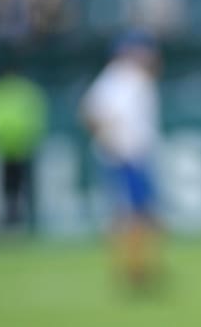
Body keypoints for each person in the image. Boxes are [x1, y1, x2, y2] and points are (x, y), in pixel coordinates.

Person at [81, 31, 162, 289]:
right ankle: (133, 269)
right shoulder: (122, 77)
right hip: (126, 156)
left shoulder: (130, 78)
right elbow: (91, 113)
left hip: (132, 155)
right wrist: (113, 139)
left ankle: (136, 266)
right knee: (133, 215)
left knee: (137, 214)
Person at [0, 68, 48, 233]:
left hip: (18, 149)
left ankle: (17, 223)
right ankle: (2, 223)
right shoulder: (23, 91)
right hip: (5, 149)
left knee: (17, 190)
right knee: (4, 190)